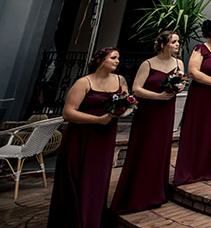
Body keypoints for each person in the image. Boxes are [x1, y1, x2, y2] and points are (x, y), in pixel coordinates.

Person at [47, 47, 128, 228]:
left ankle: (93, 218)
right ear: (100, 60)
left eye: (118, 58)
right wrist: (98, 120)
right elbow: (68, 113)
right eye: (113, 58)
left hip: (105, 137)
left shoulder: (120, 80)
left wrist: (120, 112)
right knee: (77, 177)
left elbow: (126, 103)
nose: (117, 61)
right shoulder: (84, 82)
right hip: (81, 136)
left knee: (97, 177)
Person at [111, 31, 185, 214]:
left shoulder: (178, 63)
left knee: (160, 149)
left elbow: (182, 82)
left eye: (178, 42)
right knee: (144, 148)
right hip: (149, 112)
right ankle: (137, 194)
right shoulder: (148, 64)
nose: (177, 44)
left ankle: (156, 193)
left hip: (166, 112)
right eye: (173, 42)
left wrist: (179, 87)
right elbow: (136, 89)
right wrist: (159, 96)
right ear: (162, 45)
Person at [174, 18, 211, 186]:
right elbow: (193, 72)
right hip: (201, 95)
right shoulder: (200, 49)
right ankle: (192, 166)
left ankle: (209, 162)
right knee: (198, 128)